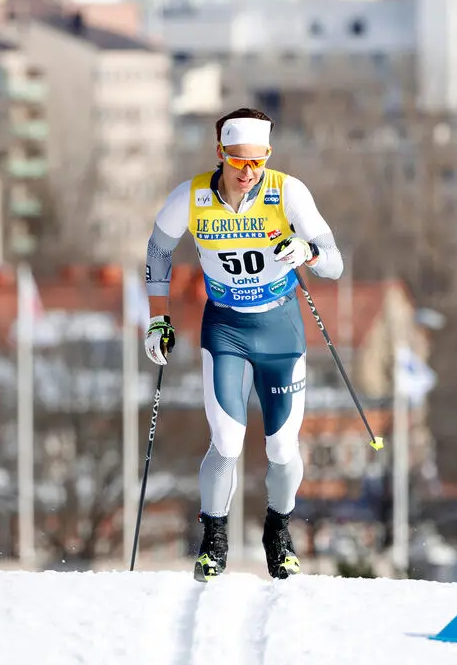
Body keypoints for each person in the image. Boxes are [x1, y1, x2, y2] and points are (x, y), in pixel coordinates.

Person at [143, 107, 344, 582]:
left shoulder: (286, 192)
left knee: (281, 448)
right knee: (227, 440)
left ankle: (278, 531)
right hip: (226, 329)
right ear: (221, 155)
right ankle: (213, 540)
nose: (249, 173)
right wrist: (158, 319)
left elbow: (335, 262)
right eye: (239, 162)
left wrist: (308, 252)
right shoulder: (191, 197)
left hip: (280, 333)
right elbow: (157, 248)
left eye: (259, 161)